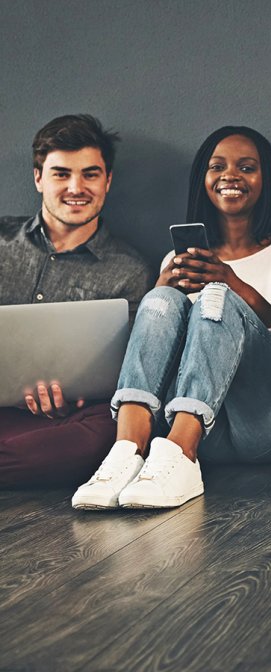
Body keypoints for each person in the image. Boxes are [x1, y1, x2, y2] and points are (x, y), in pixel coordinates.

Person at [71, 126, 271, 510]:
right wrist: (161, 296)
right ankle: (126, 451)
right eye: (217, 166)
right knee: (161, 296)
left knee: (217, 297)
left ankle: (181, 454)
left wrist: (234, 284)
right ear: (203, 179)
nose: (230, 176)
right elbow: (155, 359)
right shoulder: (178, 261)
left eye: (247, 167)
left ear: (266, 179)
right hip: (207, 430)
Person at [0, 115, 153, 488]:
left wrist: (75, 397)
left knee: (108, 435)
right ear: (38, 178)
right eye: (60, 173)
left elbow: (124, 374)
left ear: (108, 180)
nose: (76, 187)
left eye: (90, 174)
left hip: (68, 422)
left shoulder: (129, 270)